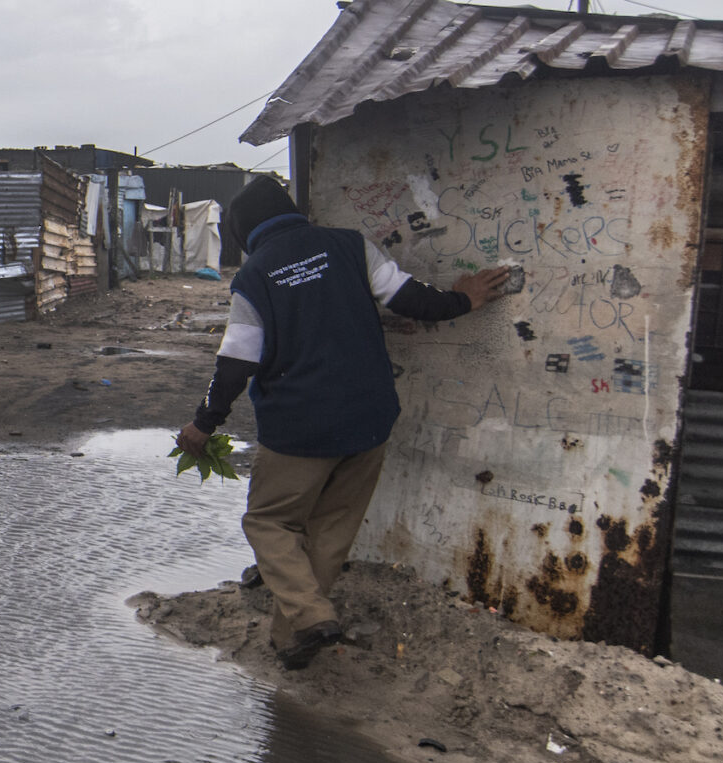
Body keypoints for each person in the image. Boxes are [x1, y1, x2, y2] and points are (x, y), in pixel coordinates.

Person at [177, 177, 510, 669]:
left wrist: (204, 423)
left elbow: (237, 363)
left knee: (270, 521)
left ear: (245, 232)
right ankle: (292, 640)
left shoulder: (255, 277)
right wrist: (464, 299)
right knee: (330, 530)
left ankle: (311, 615)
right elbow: (409, 299)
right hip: (369, 419)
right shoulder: (351, 245)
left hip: (299, 429)